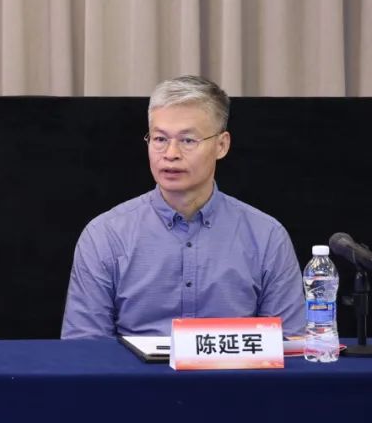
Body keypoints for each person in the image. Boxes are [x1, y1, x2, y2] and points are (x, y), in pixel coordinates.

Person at [61, 75, 304, 338]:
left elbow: (291, 342)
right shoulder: (105, 236)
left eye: (188, 140)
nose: (171, 154)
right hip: (132, 367)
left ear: (221, 145)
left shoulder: (266, 236)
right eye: (160, 139)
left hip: (233, 365)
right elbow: (84, 347)